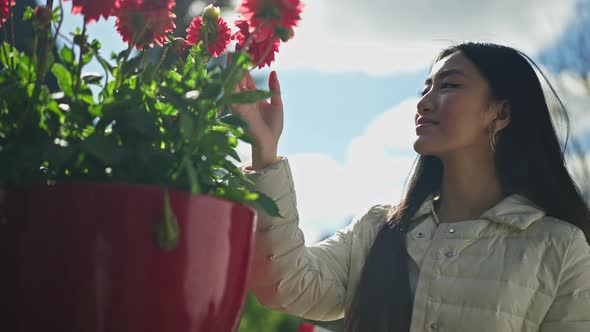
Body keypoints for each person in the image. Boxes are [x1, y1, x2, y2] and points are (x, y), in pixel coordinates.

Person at [230, 42, 590, 332]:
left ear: (500, 113)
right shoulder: (376, 230)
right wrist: (265, 152)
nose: (423, 103)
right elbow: (286, 285)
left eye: (448, 85)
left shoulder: (558, 246)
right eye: (425, 88)